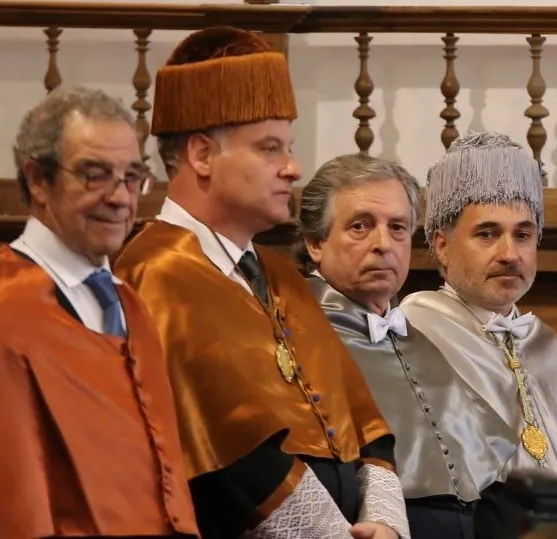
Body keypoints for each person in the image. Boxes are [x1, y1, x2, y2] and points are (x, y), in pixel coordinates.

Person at [114, 26, 410, 539]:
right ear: (203, 155)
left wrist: (384, 521)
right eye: (270, 149)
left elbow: (364, 424)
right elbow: (228, 458)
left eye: (288, 148)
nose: (293, 168)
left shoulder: (278, 273)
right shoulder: (156, 272)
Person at [0, 86, 199, 539]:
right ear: (38, 180)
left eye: (132, 177)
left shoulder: (129, 305)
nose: (121, 198)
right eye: (96, 175)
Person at [399, 131, 557, 539]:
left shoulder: (554, 353)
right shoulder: (412, 337)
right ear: (441, 246)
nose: (509, 254)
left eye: (523, 234)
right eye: (487, 234)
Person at [294, 153, 519, 539]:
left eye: (398, 228)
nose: (384, 244)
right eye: (360, 226)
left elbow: (486, 480)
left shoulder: (426, 343)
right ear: (316, 242)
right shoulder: (292, 338)